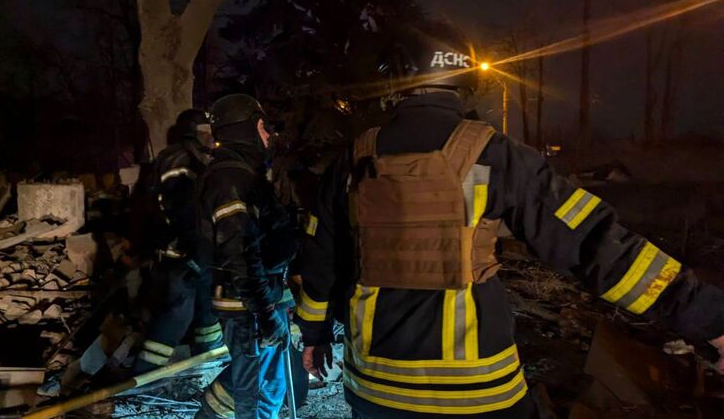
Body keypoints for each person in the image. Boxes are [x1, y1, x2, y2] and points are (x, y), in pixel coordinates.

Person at [295, 27, 724, 418]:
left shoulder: (354, 159)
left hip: (375, 386)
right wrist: (707, 317)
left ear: (395, 81)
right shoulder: (495, 154)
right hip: (477, 391)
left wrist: (313, 335)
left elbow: (320, 261)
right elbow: (594, 243)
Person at [195, 94, 298, 419]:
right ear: (246, 128)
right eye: (263, 127)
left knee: (265, 385)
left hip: (256, 300)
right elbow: (240, 251)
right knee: (254, 395)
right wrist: (265, 315)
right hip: (247, 308)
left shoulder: (241, 174)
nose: (269, 135)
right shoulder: (231, 180)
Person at [134, 109, 224, 373]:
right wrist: (190, 244)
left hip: (194, 250)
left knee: (206, 310)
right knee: (177, 314)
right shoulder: (180, 160)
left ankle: (209, 362)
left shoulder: (191, 157)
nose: (211, 137)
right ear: (193, 132)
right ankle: (144, 373)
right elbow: (179, 207)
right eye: (206, 132)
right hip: (181, 253)